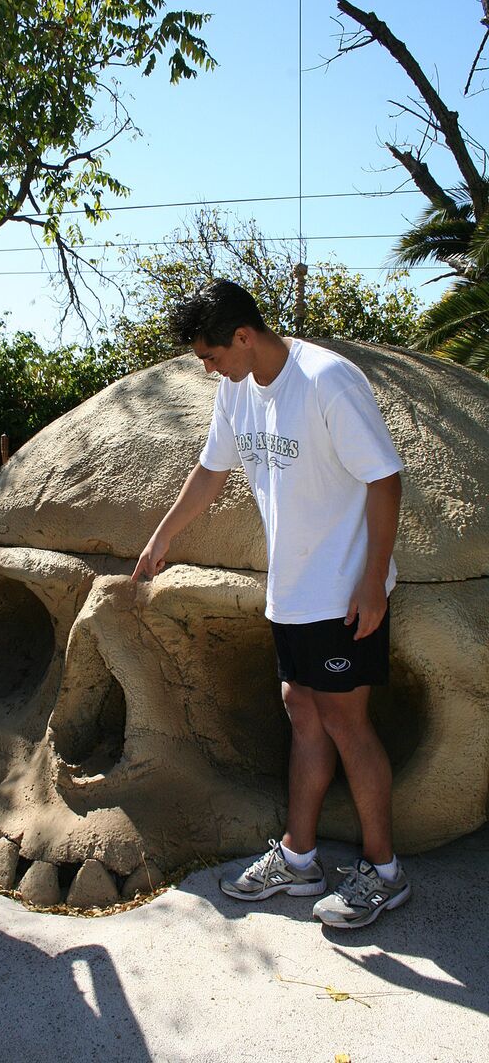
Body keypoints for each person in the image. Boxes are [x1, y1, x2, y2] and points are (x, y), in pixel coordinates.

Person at [132, 279, 410, 929]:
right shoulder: (235, 391)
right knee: (302, 714)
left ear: (244, 336)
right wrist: (162, 536)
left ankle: (385, 871)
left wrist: (373, 581)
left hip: (343, 596)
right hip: (290, 594)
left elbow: (386, 479)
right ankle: (299, 856)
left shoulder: (326, 381)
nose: (206, 369)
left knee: (347, 725)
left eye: (210, 355)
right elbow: (211, 471)